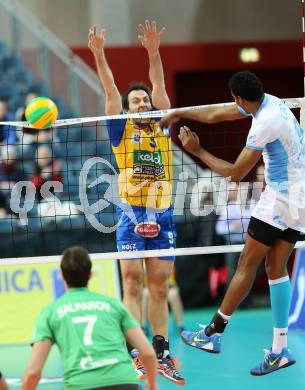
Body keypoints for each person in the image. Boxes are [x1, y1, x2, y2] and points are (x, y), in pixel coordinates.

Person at [161, 71, 305, 376]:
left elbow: (235, 173)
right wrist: (179, 112)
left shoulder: (264, 123)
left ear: (239, 97)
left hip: (282, 197)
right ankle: (279, 350)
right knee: (276, 268)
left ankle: (212, 334)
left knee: (247, 261)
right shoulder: (270, 102)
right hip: (304, 194)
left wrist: (197, 151)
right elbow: (220, 113)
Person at [88, 21, 184, 385]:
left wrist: (154, 51)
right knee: (131, 283)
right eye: (137, 101)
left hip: (163, 214)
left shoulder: (162, 125)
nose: (143, 103)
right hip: (130, 214)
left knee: (158, 287)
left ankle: (161, 351)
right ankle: (134, 350)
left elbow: (158, 85)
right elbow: (110, 89)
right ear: (127, 110)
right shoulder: (119, 127)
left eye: (145, 100)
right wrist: (99, 54)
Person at [22, 246, 159, 390]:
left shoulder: (50, 312)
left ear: (61, 275)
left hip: (82, 384)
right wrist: (152, 384)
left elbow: (33, 373)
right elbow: (148, 353)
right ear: (90, 275)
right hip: (125, 382)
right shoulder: (113, 305)